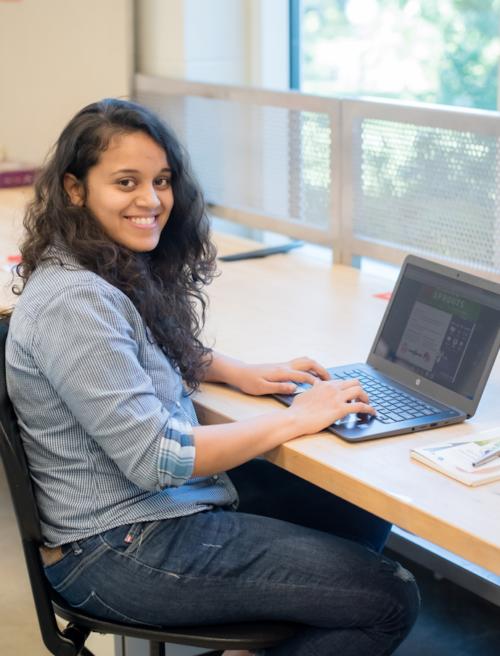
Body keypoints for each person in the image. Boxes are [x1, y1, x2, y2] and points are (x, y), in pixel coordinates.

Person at [4, 99, 419, 656]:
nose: (151, 200)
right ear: (76, 189)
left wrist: (238, 372)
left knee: (357, 507)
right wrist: (298, 419)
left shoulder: (93, 264)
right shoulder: (74, 299)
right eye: (126, 182)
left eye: (162, 180)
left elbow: (130, 346)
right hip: (116, 547)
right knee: (388, 598)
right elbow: (160, 459)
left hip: (155, 511)